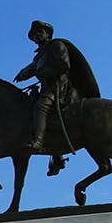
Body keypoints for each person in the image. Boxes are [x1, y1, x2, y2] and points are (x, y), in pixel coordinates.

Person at [13, 20, 100, 171]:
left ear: (48, 34)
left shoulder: (56, 46)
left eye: (40, 32)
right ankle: (56, 154)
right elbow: (32, 68)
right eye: (34, 34)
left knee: (41, 107)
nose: (37, 35)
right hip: (47, 88)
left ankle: (37, 142)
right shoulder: (40, 54)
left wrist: (43, 72)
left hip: (59, 88)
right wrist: (22, 74)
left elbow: (64, 65)